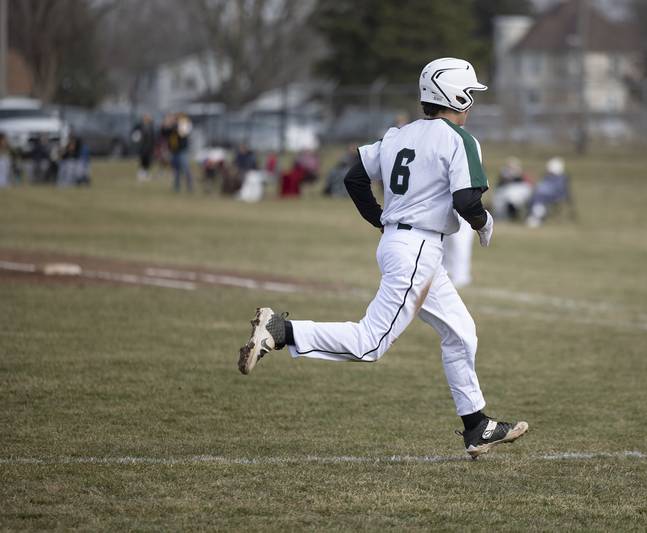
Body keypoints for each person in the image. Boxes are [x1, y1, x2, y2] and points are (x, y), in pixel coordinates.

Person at [237, 57, 528, 459]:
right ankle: (283, 330)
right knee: (369, 342)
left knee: (461, 332)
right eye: (469, 95)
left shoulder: (398, 134)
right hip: (418, 251)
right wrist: (483, 223)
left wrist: (381, 218)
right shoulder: (460, 140)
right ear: (455, 95)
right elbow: (466, 199)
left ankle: (477, 425)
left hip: (406, 247)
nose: (471, 104)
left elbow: (354, 176)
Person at [526, 157, 575, 228]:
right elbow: (542, 185)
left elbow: (560, 191)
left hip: (551, 196)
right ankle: (533, 216)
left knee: (538, 198)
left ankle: (536, 218)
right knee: (535, 197)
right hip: (543, 195)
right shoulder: (548, 177)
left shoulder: (561, 178)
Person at [162, 113, 194, 192]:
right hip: (173, 150)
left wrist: (173, 125)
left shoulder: (182, 124)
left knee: (185, 168)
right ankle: (177, 187)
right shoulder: (170, 127)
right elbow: (163, 133)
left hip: (182, 150)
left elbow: (182, 133)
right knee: (176, 170)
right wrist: (166, 124)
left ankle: (190, 186)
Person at [131, 113, 156, 181]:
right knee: (143, 161)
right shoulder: (139, 126)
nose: (148, 119)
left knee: (148, 161)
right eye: (146, 117)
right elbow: (134, 134)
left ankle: (146, 174)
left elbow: (153, 137)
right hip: (142, 147)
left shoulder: (151, 126)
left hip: (149, 147)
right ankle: (141, 174)